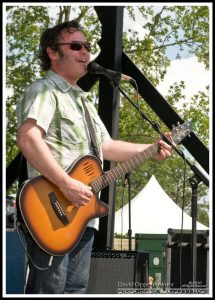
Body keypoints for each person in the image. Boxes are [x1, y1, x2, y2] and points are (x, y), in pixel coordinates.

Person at [16, 20, 173, 294]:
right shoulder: (45, 91)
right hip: (50, 212)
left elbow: (107, 146)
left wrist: (151, 149)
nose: (85, 52)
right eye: (76, 46)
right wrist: (66, 183)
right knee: (49, 289)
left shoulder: (83, 102)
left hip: (83, 218)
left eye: (87, 46)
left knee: (76, 288)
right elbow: (29, 138)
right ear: (52, 52)